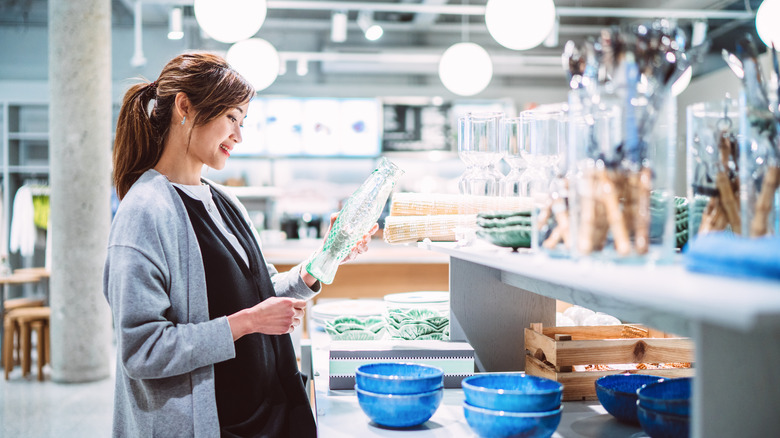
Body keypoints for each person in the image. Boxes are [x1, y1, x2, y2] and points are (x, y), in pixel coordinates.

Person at [103, 52, 377, 437]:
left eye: (242, 121)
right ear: (185, 106)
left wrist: (325, 260)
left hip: (265, 412)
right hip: (208, 424)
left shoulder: (224, 202)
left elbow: (261, 293)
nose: (239, 135)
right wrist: (246, 323)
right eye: (232, 117)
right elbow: (142, 349)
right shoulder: (144, 212)